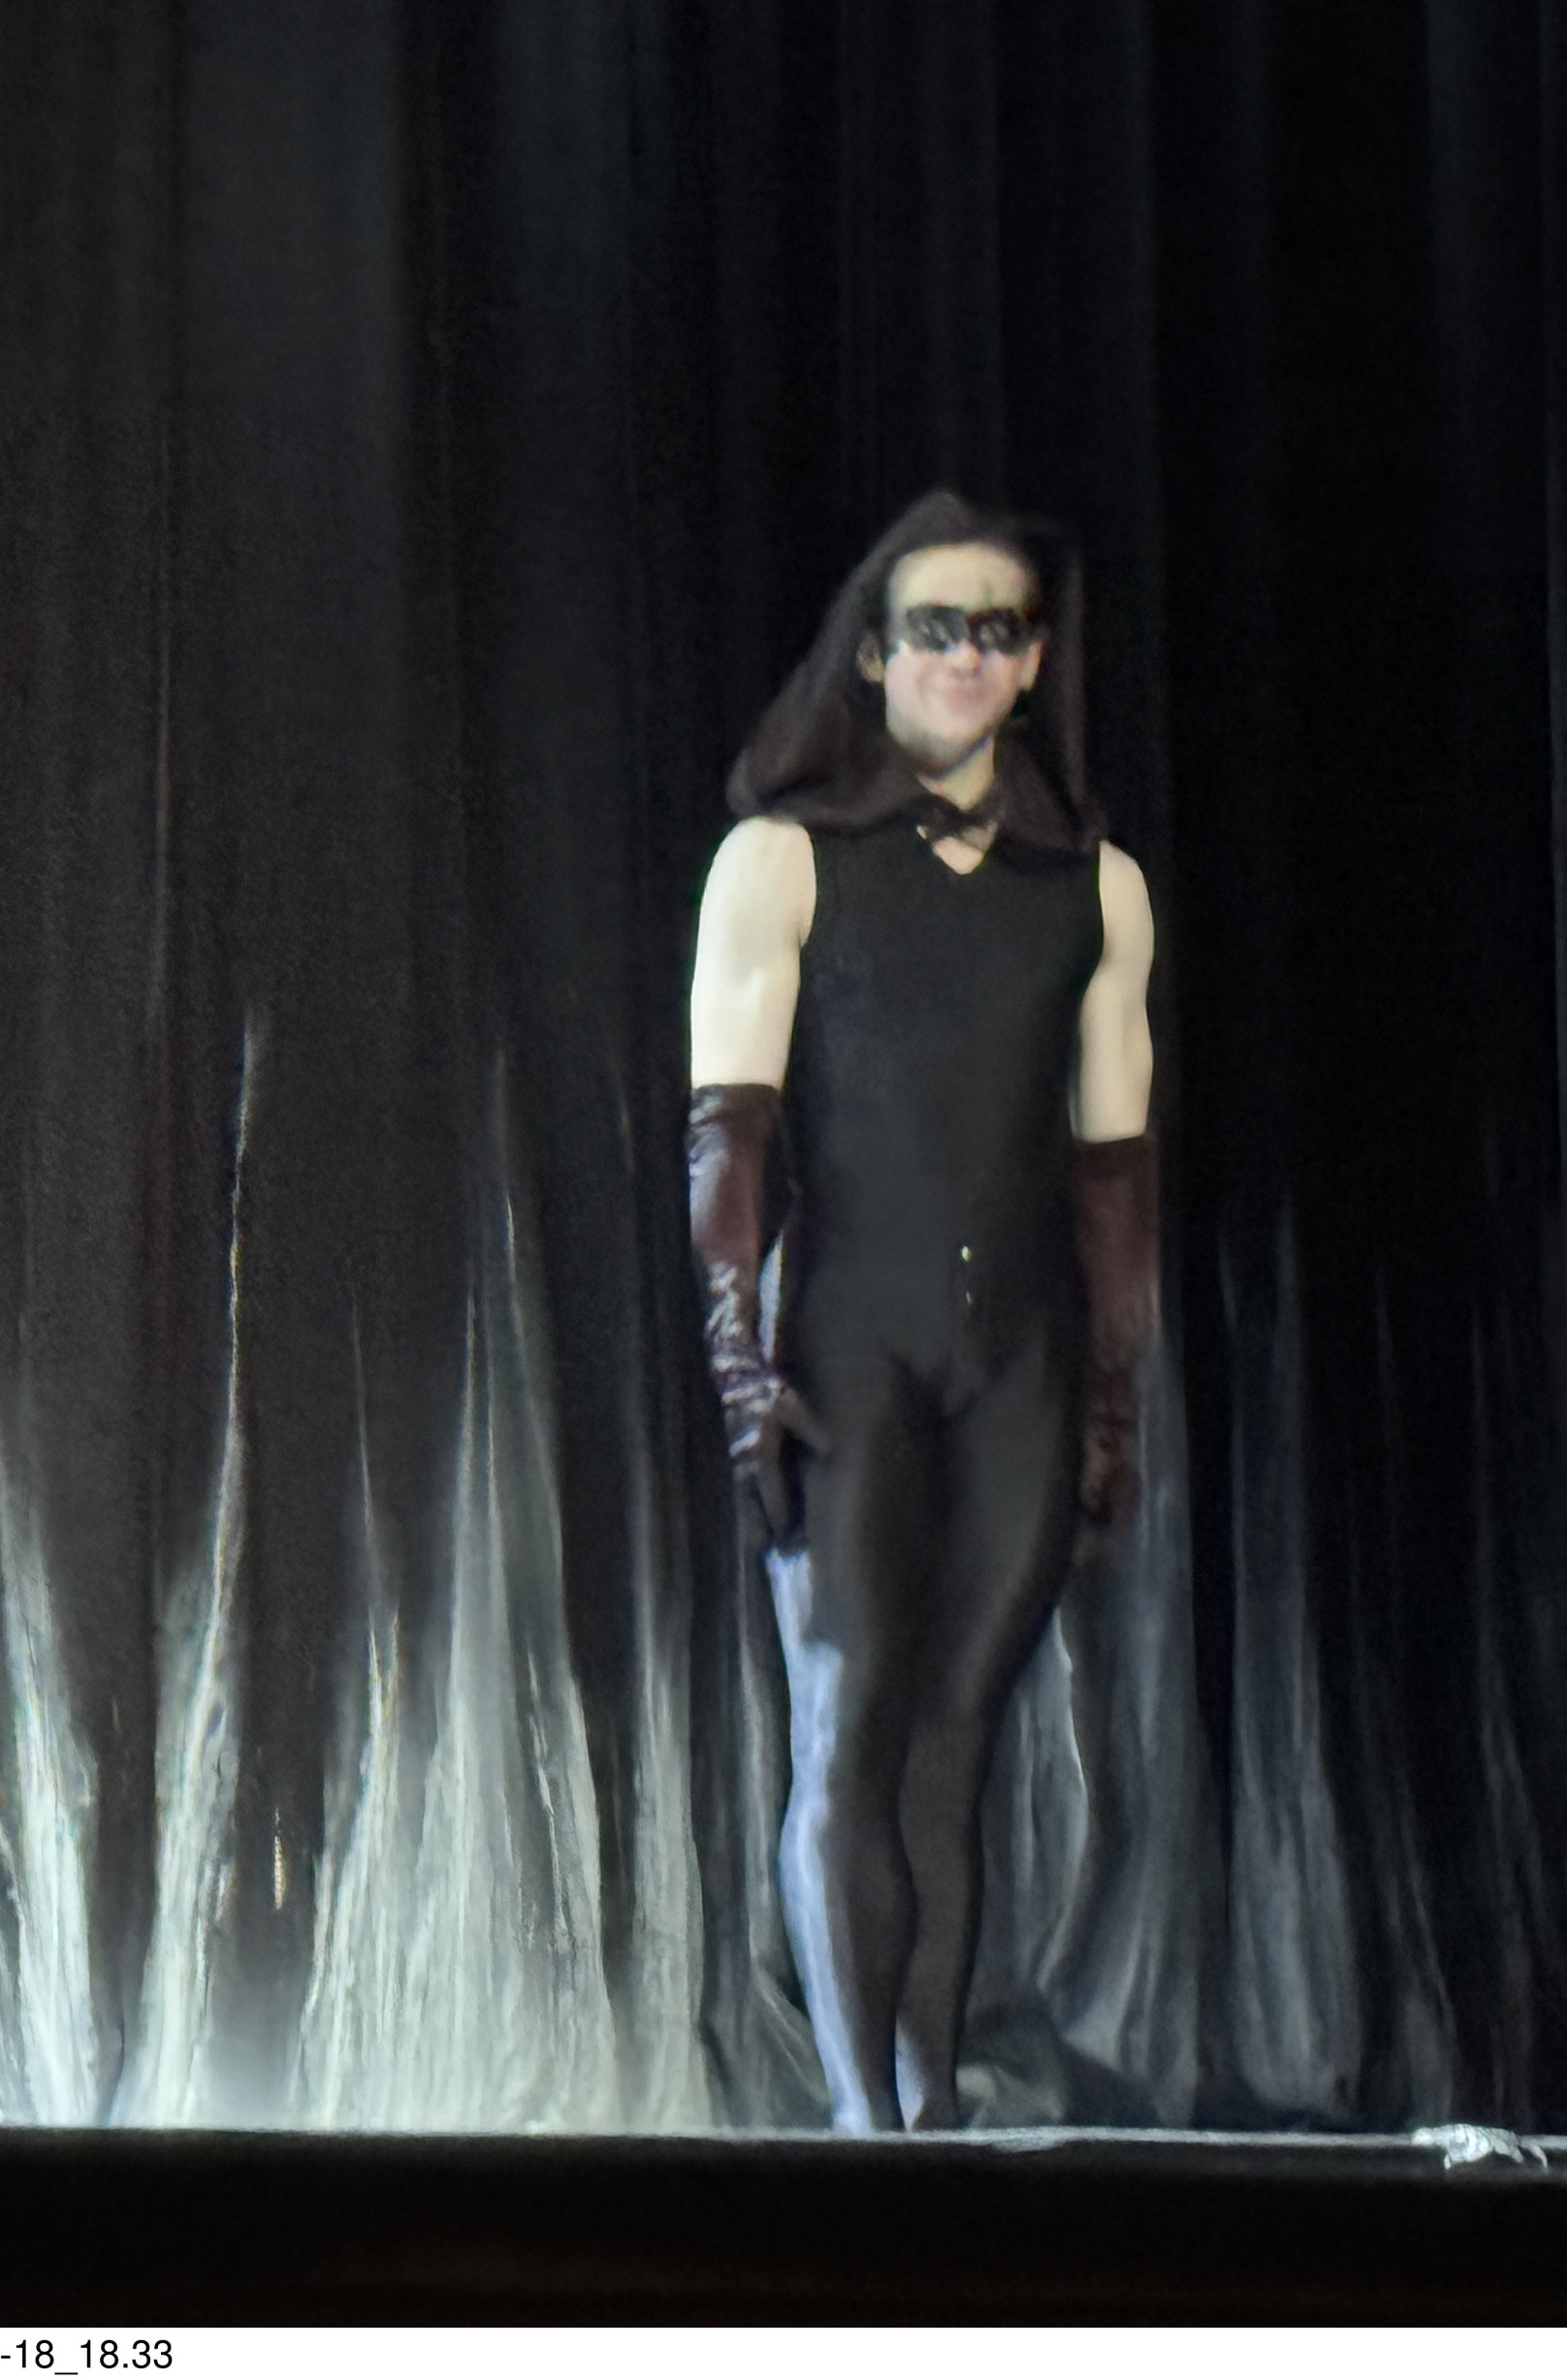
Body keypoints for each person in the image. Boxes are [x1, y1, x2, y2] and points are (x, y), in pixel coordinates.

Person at [684, 491, 1158, 2133]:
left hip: (1019, 1358)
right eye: (933, 625)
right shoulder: (781, 860)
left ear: (1034, 665)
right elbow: (727, 1134)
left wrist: (1112, 1399)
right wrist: (740, 1364)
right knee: (848, 1716)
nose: (965, 654)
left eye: (996, 629)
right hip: (849, 1347)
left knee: (957, 1736)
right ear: (874, 654)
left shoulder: (1096, 889)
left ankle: (930, 2111)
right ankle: (860, 2129)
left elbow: (1112, 1171)